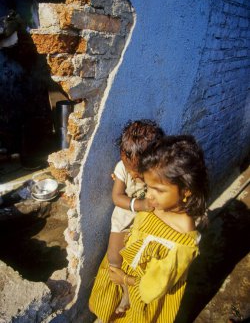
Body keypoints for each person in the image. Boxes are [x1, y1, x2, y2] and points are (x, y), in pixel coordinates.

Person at [89, 135, 208, 323]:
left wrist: (125, 280)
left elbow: (150, 290)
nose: (149, 196)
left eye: (158, 190)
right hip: (127, 271)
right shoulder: (159, 205)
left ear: (186, 190)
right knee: (109, 309)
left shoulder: (180, 244)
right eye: (147, 186)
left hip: (142, 296)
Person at [107, 120, 165, 313]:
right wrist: (138, 204)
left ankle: (138, 291)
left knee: (140, 261)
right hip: (125, 217)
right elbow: (116, 197)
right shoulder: (122, 168)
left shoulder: (158, 171)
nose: (132, 174)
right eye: (129, 167)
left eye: (137, 172)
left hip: (148, 222)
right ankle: (125, 291)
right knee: (114, 258)